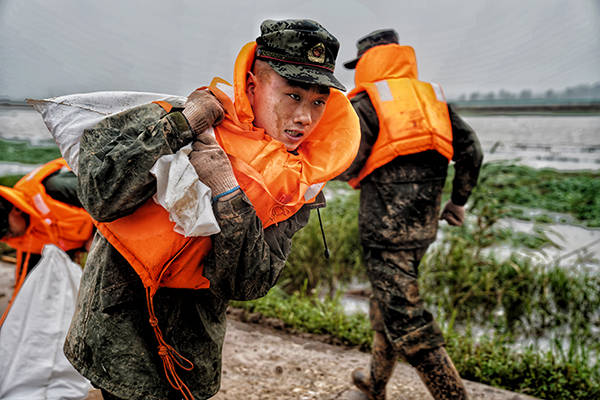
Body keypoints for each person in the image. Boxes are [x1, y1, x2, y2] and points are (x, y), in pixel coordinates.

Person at [63, 19, 359, 400]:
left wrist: (226, 190)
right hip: (116, 328)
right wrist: (181, 126)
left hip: (191, 347)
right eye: (293, 95)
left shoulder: (296, 185)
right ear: (253, 85)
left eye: (319, 102)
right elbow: (101, 194)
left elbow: (248, 283)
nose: (305, 116)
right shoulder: (182, 115)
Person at [337, 29, 483, 400]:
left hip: (383, 234)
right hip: (423, 230)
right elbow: (472, 152)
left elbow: (346, 161)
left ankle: (454, 396)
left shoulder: (368, 104)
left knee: (406, 318)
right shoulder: (435, 102)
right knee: (386, 301)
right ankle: (375, 382)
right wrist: (458, 201)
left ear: (368, 63)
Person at [0, 157, 94, 326]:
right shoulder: (26, 239)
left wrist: (96, 236)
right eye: (3, 236)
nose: (8, 237)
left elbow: (109, 199)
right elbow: (22, 287)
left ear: (15, 209)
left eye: (6, 228)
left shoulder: (54, 189)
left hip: (106, 227)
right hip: (78, 243)